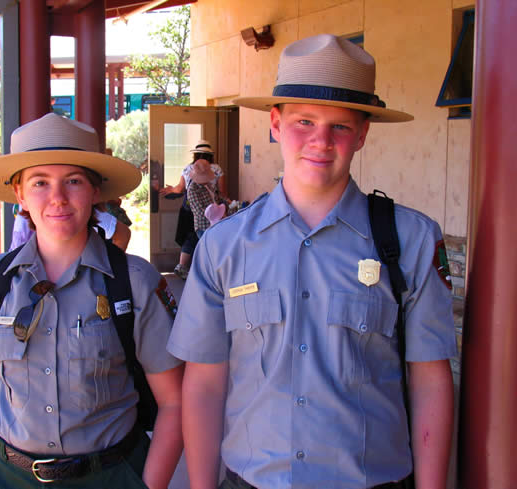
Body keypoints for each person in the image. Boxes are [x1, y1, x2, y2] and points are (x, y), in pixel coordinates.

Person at [167, 34, 456, 489]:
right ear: (276, 124)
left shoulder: (411, 240)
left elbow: (430, 381)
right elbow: (204, 384)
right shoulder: (224, 246)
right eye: (305, 121)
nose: (321, 141)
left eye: (340, 126)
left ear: (362, 133)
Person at [0, 113, 184, 489]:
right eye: (39, 182)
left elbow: (175, 401)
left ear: (95, 192)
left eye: (73, 181)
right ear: (20, 195)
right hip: (7, 476)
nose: (57, 198)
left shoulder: (134, 282)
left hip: (110, 475)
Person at [159, 140, 226, 279]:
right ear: (210, 155)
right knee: (209, 238)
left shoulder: (188, 169)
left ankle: (182, 266)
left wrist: (171, 189)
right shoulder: (217, 169)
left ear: (195, 155)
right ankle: (210, 271)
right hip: (211, 210)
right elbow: (222, 192)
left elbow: (180, 189)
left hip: (189, 208)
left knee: (189, 237)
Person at [186, 158, 226, 239]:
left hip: (215, 224)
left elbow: (216, 198)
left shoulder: (208, 185)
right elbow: (200, 211)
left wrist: (226, 203)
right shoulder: (193, 189)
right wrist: (219, 215)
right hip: (204, 227)